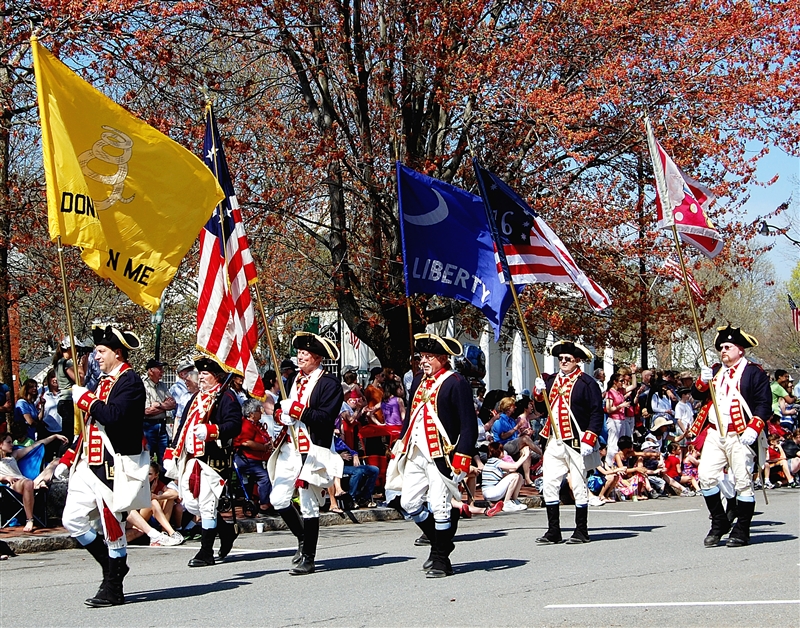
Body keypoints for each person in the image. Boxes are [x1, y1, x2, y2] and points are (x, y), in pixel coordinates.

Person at [54, 324, 147, 607]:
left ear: (117, 353)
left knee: (112, 525)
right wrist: (69, 457)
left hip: (111, 463)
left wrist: (88, 401)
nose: (96, 356)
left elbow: (113, 416)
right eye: (96, 351)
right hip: (86, 462)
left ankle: (113, 585)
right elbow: (89, 427)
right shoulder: (104, 381)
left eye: (101, 351)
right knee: (72, 520)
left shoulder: (129, 381)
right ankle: (111, 566)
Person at [386, 333, 477, 578]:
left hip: (442, 454)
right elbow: (411, 416)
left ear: (443, 358)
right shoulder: (417, 381)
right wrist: (400, 441)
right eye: (422, 356)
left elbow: (469, 424)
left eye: (429, 356)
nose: (424, 361)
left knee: (439, 504)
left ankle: (440, 559)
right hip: (415, 451)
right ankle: (442, 542)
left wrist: (464, 456)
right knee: (409, 503)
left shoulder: (455, 382)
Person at [688, 325, 771, 548]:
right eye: (721, 347)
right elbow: (697, 394)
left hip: (741, 433)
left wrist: (754, 427)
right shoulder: (715, 370)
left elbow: (764, 404)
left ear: (740, 349)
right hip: (715, 432)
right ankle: (719, 521)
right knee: (705, 477)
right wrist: (703, 381)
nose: (723, 351)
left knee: (743, 482)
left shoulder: (754, 373)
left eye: (728, 347)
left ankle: (742, 528)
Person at [268, 331, 343, 576]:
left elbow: (324, 418)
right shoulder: (291, 380)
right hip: (289, 448)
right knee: (278, 498)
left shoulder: (329, 384)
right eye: (299, 352)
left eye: (306, 353)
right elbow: (281, 408)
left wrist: (298, 410)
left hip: (313, 450)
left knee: (309, 505)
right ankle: (302, 537)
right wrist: (281, 413)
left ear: (318, 357)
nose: (300, 357)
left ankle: (308, 556)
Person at [163, 355, 242, 567]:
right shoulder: (196, 398)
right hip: (190, 458)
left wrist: (212, 431)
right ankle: (226, 531)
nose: (201, 378)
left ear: (216, 376)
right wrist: (172, 450)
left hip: (213, 460)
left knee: (207, 505)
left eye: (205, 374)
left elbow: (234, 425)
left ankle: (206, 552)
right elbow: (183, 425)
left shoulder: (226, 397)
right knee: (190, 502)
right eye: (201, 374)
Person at [533, 340, 603, 545]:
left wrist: (590, 436)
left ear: (577, 361)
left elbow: (596, 412)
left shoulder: (587, 383)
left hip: (576, 441)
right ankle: (553, 530)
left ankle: (582, 530)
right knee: (549, 484)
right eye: (560, 359)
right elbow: (542, 409)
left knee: (579, 485)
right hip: (553, 439)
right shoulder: (551, 380)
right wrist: (539, 393)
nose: (563, 362)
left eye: (567, 359)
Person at [1, 432, 68, 531]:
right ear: (0, 444)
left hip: (27, 482)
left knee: (57, 461)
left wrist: (54, 437)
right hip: (12, 485)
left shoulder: (14, 455)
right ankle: (30, 520)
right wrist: (5, 477)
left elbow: (34, 446)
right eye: (9, 442)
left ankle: (40, 482)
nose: (12, 445)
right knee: (27, 482)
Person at [233, 398, 274, 515]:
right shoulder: (246, 425)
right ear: (251, 414)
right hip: (246, 459)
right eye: (258, 410)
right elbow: (245, 442)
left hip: (258, 459)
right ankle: (264, 504)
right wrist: (263, 447)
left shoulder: (257, 425)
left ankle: (265, 499)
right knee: (264, 477)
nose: (261, 412)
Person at [142, 359, 176, 467]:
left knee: (164, 456)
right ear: (150, 371)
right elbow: (146, 411)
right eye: (159, 369)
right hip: (148, 426)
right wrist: (165, 406)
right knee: (148, 455)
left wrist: (159, 405)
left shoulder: (162, 386)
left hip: (162, 425)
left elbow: (173, 404)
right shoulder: (143, 386)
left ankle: (163, 480)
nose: (162, 372)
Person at [480, 441, 529, 512]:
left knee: (520, 476)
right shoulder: (495, 461)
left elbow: (512, 468)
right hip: (491, 492)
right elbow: (514, 467)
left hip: (492, 491)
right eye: (502, 451)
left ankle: (514, 500)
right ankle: (507, 503)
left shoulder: (493, 461)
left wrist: (523, 456)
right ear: (497, 452)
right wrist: (526, 456)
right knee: (515, 476)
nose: (504, 453)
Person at [169, 359, 196, 427]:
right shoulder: (176, 388)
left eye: (192, 370)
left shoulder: (194, 386)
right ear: (181, 374)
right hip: (181, 422)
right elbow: (180, 408)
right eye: (188, 371)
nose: (191, 372)